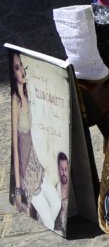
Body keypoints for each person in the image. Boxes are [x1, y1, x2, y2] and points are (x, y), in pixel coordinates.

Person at [9, 53, 61, 228]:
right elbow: (15, 148)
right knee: (50, 223)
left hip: (37, 164)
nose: (22, 70)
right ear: (13, 73)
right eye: (17, 68)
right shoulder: (15, 101)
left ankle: (43, 222)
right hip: (27, 173)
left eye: (22, 66)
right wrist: (18, 190)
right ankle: (46, 224)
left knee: (57, 204)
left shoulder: (29, 94)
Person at [52, 152, 70, 233]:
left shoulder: (72, 189)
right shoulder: (55, 190)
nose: (64, 173)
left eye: (66, 169)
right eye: (61, 169)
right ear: (58, 169)